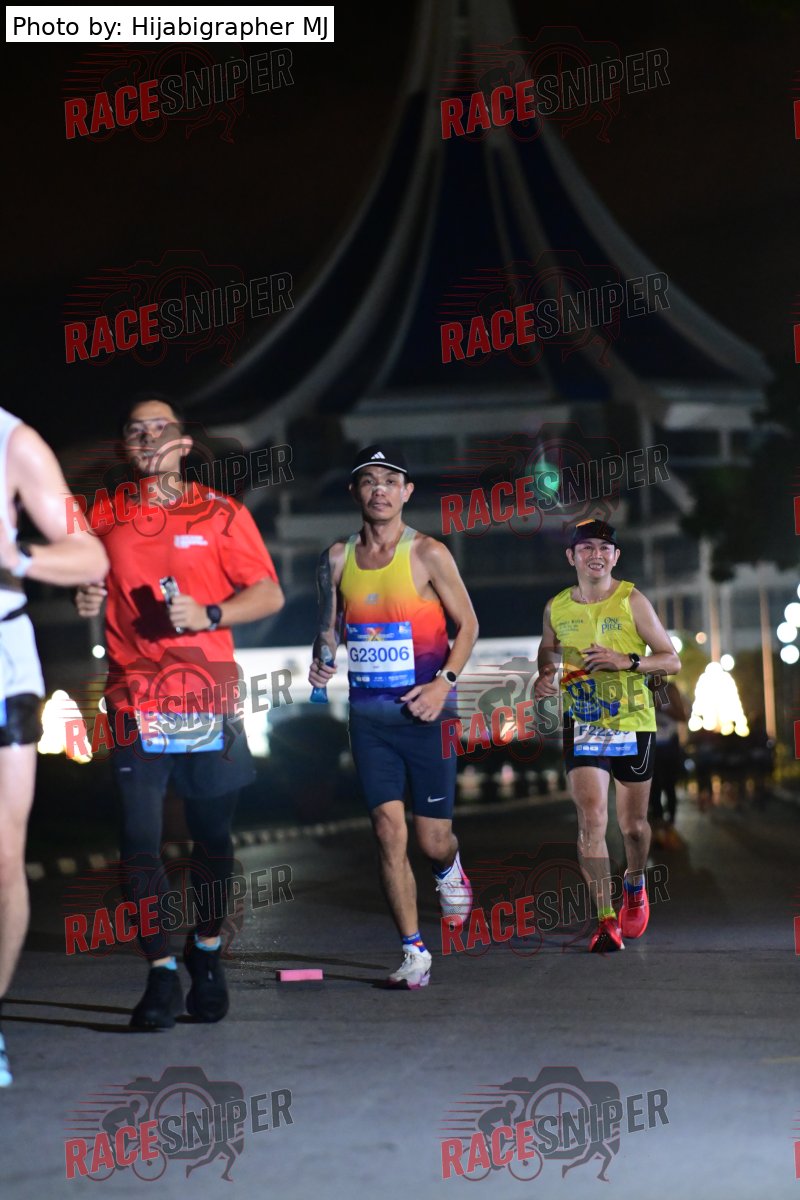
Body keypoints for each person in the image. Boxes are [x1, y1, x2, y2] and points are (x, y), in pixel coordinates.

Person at [75, 396, 284, 1029]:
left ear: (184, 443)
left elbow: (269, 593)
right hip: (133, 700)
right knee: (138, 838)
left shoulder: (221, 513)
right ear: (126, 445)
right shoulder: (105, 514)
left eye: (159, 428)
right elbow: (83, 571)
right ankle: (161, 971)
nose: (147, 438)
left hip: (208, 699)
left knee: (212, 837)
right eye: (135, 430)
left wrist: (211, 613)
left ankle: (208, 950)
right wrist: (86, 591)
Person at [308, 445, 478, 988]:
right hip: (370, 720)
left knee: (432, 840)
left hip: (429, 716)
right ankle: (413, 951)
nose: (379, 490)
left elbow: (469, 626)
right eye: (368, 481)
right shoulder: (336, 558)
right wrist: (322, 658)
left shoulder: (428, 553)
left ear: (407, 492)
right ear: (354, 492)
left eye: (389, 480)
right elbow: (329, 626)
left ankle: (448, 868)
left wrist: (442, 683)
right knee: (387, 831)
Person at [0, 407, 108, 1086]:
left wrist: (18, 557)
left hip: (1, 661)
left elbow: (89, 553)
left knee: (2, 859)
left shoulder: (12, 441)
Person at [534, 519, 680, 952]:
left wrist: (627, 661)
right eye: (586, 548)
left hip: (632, 723)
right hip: (585, 723)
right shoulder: (556, 606)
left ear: (615, 557)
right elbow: (548, 649)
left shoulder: (632, 600)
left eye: (604, 548)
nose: (595, 555)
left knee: (633, 827)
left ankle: (635, 881)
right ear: (571, 556)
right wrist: (545, 673)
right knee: (591, 819)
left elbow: (670, 660)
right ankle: (605, 918)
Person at [648, 677, 688, 833]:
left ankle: (671, 819)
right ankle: (657, 817)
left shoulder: (670, 688)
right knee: (653, 784)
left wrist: (663, 708)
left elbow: (682, 716)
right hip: (651, 742)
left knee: (670, 783)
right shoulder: (645, 686)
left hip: (669, 743)